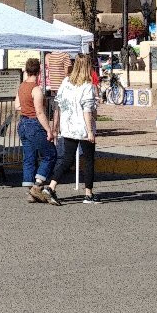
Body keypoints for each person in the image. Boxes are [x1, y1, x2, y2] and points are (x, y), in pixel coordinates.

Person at [46, 53, 101, 204]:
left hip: (68, 126)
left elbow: (59, 104)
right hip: (83, 128)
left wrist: (56, 126)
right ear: (88, 66)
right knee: (89, 160)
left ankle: (51, 186)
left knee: (67, 159)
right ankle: (88, 194)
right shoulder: (88, 86)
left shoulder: (66, 82)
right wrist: (90, 131)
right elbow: (87, 110)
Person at [16, 57, 56, 203]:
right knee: (50, 154)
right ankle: (38, 185)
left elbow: (17, 106)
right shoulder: (36, 89)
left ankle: (29, 190)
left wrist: (26, 108)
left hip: (22, 123)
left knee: (29, 157)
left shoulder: (21, 86)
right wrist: (49, 130)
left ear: (26, 70)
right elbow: (39, 112)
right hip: (34, 124)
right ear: (39, 72)